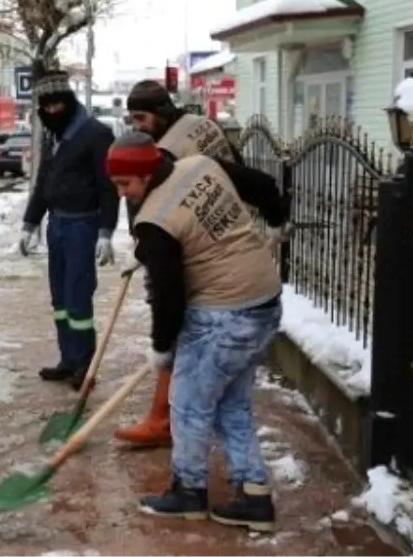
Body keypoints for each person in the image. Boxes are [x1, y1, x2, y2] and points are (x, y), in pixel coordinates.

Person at [105, 132, 286, 531]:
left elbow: (170, 296)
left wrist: (161, 345)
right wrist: (276, 221)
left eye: (125, 184)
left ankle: (188, 491)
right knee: (231, 404)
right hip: (265, 301)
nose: (122, 195)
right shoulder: (200, 165)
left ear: (147, 174)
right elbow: (263, 186)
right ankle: (254, 494)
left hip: (224, 315)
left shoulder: (155, 219)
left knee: (187, 404)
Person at [113, 80, 245, 447]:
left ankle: (163, 419)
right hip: (229, 226)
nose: (137, 125)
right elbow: (239, 169)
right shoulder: (202, 124)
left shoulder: (167, 151)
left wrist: (144, 248)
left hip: (202, 244)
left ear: (159, 112)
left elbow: (156, 210)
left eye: (141, 117)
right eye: (132, 118)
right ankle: (176, 413)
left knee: (175, 320)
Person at [19, 71, 120, 390]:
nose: (51, 112)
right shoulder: (54, 135)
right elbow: (43, 183)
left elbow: (108, 187)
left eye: (57, 104)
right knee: (60, 299)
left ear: (68, 101)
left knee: (78, 299)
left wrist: (106, 231)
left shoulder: (95, 134)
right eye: (45, 106)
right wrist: (30, 223)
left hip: (82, 225)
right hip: (57, 225)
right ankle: (68, 359)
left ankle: (84, 364)